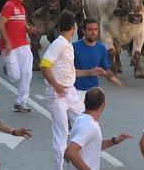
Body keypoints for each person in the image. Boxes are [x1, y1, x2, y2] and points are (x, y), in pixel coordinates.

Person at [40, 9, 85, 170]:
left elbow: (69, 70)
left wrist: (92, 71)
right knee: (61, 135)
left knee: (84, 123)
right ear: (74, 26)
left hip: (70, 92)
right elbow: (44, 65)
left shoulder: (66, 45)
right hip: (57, 94)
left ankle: (73, 157)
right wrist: (56, 85)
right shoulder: (59, 44)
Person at [64, 87, 131, 170]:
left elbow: (94, 144)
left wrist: (114, 140)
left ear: (84, 102)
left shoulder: (82, 119)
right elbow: (70, 152)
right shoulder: (89, 126)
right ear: (103, 105)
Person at [0, 0, 34, 113]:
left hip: (24, 44)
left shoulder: (22, 8)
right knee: (15, 77)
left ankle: (20, 102)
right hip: (10, 47)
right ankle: (8, 67)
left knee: (27, 73)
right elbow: (0, 25)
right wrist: (7, 43)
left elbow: (22, 25)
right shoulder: (9, 6)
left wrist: (29, 30)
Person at [73, 18, 123, 97]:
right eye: (90, 29)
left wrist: (112, 77)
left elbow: (105, 68)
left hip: (94, 90)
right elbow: (68, 70)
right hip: (76, 91)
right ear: (83, 31)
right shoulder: (73, 47)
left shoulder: (101, 48)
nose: (93, 32)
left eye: (96, 29)